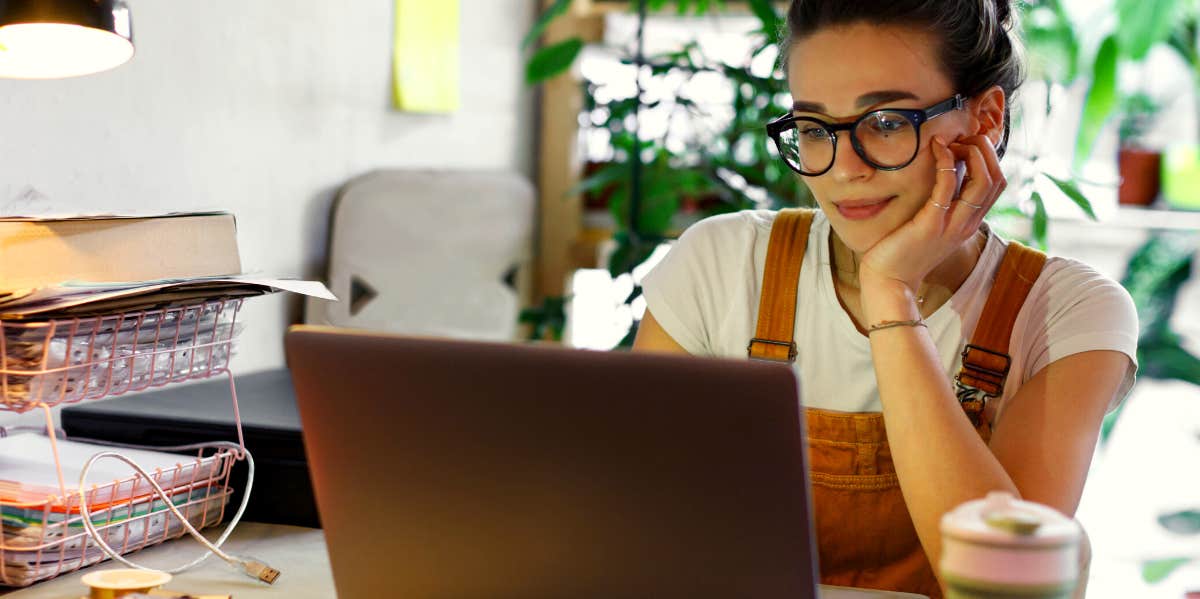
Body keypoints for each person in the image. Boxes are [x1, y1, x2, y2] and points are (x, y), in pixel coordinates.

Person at [632, 1, 1139, 597]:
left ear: (985, 121)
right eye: (816, 129)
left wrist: (890, 295)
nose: (843, 168)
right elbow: (633, 532)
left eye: (887, 122)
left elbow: (1007, 588)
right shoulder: (722, 263)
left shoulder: (1067, 311)